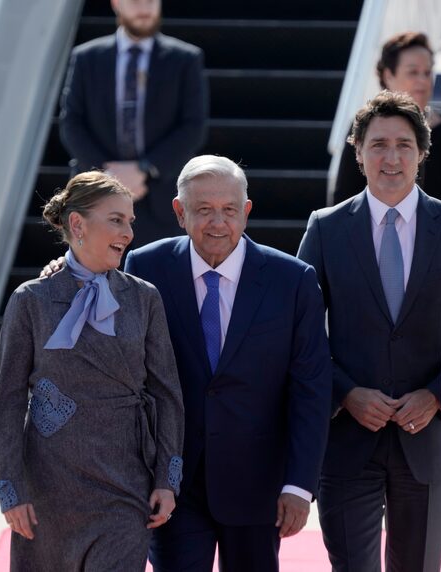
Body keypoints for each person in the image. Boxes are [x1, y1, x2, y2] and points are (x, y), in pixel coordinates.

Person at [298, 90, 441, 572]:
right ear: (358, 153)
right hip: (346, 440)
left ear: (422, 154)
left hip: (428, 438)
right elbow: (297, 330)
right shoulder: (326, 228)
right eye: (378, 144)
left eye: (404, 144)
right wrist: (345, 393)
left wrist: (436, 395)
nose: (391, 157)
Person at [124, 155, 332, 571]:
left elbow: (311, 388)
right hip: (172, 483)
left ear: (246, 212)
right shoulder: (144, 268)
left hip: (258, 486)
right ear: (180, 213)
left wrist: (298, 484)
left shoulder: (292, 279)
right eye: (203, 210)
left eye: (229, 210)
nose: (218, 222)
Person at [0, 171, 185, 570]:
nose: (128, 232)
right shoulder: (31, 300)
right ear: (77, 224)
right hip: (48, 491)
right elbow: (9, 402)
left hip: (126, 486)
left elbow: (168, 394)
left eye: (130, 220)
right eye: (116, 219)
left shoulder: (144, 298)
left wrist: (168, 479)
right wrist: (12, 489)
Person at [60, 0, 207, 247]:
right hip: (97, 196)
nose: (145, 7)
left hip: (162, 196)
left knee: (161, 281)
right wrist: (109, 173)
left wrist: (144, 168)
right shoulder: (86, 57)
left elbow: (193, 126)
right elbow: (71, 122)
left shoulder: (185, 58)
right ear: (116, 3)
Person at [331, 31, 441, 209]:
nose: (423, 80)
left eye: (427, 72)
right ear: (388, 75)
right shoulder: (365, 126)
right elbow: (344, 199)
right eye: (413, 72)